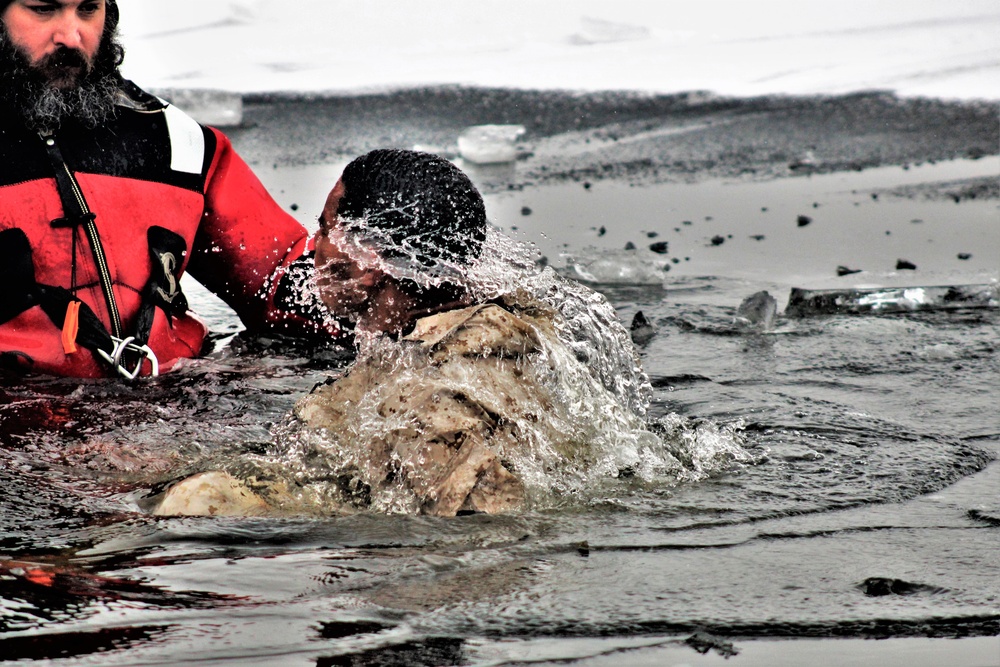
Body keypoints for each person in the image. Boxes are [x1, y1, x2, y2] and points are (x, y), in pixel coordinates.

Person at [150, 149, 658, 517]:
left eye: (325, 229)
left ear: (368, 259)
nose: (313, 247)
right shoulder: (490, 330)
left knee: (198, 500)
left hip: (416, 578)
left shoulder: (435, 399)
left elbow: (470, 526)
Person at [0, 0, 341, 380]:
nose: (71, 36)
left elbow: (280, 277)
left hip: (177, 408)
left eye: (88, 9)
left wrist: (394, 297)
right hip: (28, 422)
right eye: (44, 9)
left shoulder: (175, 145)